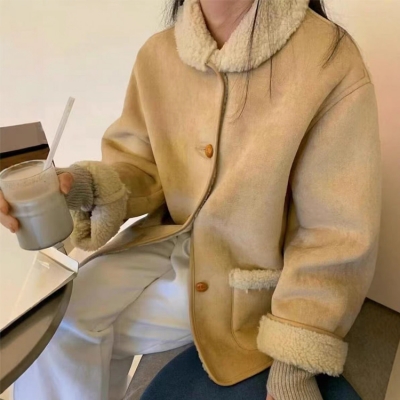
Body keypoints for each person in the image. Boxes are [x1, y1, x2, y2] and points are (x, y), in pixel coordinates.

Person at [0, 0, 381, 399]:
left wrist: (293, 366)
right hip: (168, 245)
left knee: (74, 329)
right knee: (58, 324)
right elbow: (142, 166)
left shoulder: (327, 58)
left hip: (253, 282)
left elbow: (334, 234)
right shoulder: (158, 55)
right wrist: (81, 186)